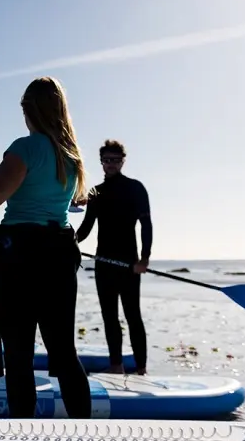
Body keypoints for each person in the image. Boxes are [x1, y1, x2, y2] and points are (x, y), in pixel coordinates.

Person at [0, 76, 92, 419]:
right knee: (64, 352)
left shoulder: (25, 148)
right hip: (60, 252)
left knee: (19, 354)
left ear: (29, 110)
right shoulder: (71, 156)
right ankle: (85, 428)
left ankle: (23, 429)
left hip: (21, 256)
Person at [75, 139, 151, 376]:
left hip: (130, 264)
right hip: (104, 263)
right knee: (109, 317)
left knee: (133, 316)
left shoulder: (135, 188)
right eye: (107, 160)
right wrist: (70, 239)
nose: (111, 164)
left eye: (115, 160)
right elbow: (87, 227)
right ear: (101, 162)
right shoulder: (96, 192)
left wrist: (144, 259)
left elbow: (146, 224)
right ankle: (116, 365)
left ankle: (141, 369)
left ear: (122, 161)